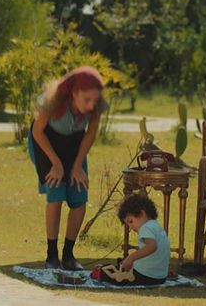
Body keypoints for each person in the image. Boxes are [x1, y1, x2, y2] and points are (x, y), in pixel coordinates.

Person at [27, 66, 108, 270]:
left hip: (74, 144)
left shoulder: (96, 106)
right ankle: (51, 255)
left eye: (95, 100)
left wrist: (78, 164)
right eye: (87, 100)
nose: (91, 105)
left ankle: (68, 255)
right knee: (56, 194)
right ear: (74, 92)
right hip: (46, 143)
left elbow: (90, 134)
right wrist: (56, 163)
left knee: (79, 196)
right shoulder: (52, 102)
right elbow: (37, 131)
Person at [104, 194, 170, 286]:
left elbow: (152, 246)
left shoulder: (145, 228)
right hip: (160, 277)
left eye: (131, 221)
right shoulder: (156, 226)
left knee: (106, 273)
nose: (131, 227)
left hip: (144, 275)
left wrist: (131, 258)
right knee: (121, 264)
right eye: (128, 224)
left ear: (142, 213)